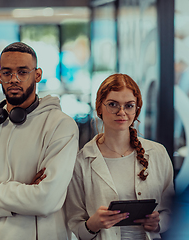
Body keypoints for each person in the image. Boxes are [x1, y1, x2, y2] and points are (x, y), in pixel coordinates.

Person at [0, 42, 79, 240]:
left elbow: (46, 201)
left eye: (22, 72)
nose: (14, 79)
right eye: (7, 72)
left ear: (37, 75)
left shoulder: (60, 126)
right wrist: (23, 200)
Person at [66, 73, 175, 240]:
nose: (121, 112)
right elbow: (75, 226)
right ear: (99, 107)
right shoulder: (81, 161)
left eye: (129, 106)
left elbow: (170, 210)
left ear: (137, 109)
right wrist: (93, 224)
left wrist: (158, 223)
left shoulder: (157, 153)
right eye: (113, 104)